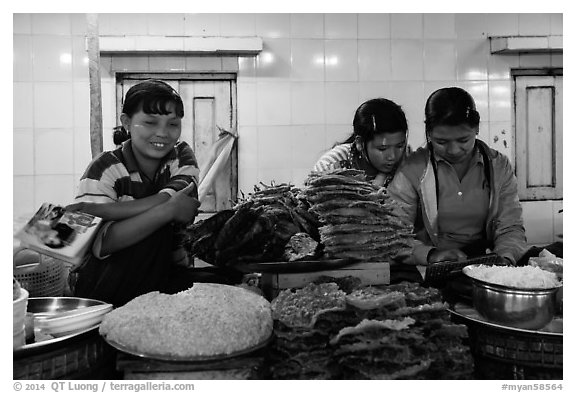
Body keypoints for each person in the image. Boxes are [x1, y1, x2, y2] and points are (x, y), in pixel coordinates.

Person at [66, 79, 203, 306]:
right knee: (153, 231)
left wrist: (101, 210)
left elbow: (176, 195)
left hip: (162, 277)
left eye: (172, 124)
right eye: (150, 122)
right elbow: (102, 243)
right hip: (106, 286)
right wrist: (166, 212)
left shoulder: (181, 156)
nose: (163, 133)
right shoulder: (104, 168)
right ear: (126, 122)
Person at [388, 87, 528, 267]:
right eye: (441, 142)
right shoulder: (412, 169)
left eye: (463, 141)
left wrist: (504, 258)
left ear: (477, 128)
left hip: (487, 266)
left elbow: (510, 226)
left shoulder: (498, 166)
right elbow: (394, 234)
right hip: (431, 268)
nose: (453, 150)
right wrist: (429, 255)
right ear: (429, 133)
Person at [313, 98, 409, 188]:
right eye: (382, 149)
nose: (392, 156)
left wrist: (382, 175)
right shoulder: (331, 166)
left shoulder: (408, 160)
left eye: (399, 146)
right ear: (360, 143)